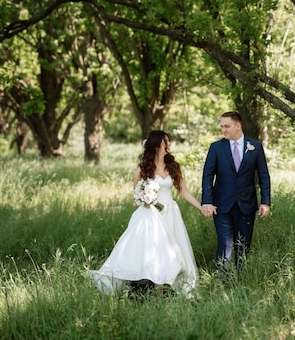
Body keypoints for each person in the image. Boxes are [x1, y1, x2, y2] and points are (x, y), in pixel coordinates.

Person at [89, 130, 212, 298]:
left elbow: (183, 190)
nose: (169, 145)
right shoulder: (143, 169)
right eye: (165, 142)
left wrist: (201, 207)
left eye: (168, 141)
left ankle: (172, 283)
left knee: (173, 250)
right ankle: (157, 290)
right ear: (156, 145)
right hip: (151, 215)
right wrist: (146, 201)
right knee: (155, 251)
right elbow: (136, 194)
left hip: (170, 213)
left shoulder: (173, 166)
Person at [201, 111, 271, 274]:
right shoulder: (216, 148)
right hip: (221, 206)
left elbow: (263, 176)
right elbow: (207, 175)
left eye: (227, 126)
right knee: (225, 245)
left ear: (238, 126)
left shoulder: (255, 147)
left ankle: (241, 280)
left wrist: (265, 201)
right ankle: (222, 282)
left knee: (244, 246)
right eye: (222, 126)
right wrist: (207, 201)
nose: (223, 130)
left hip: (246, 205)